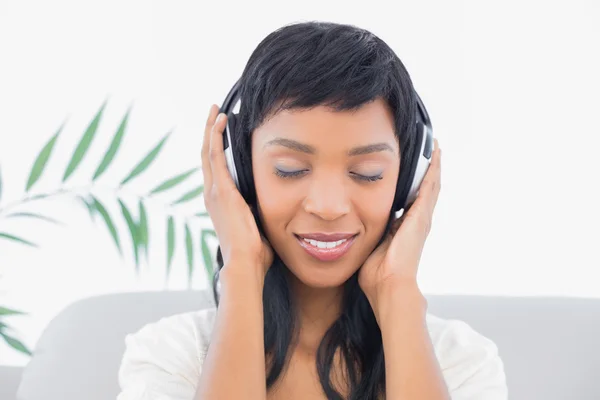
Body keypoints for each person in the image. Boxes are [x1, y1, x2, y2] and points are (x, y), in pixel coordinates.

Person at [117, 21, 507, 399]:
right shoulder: (172, 355)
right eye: (290, 170)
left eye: (367, 173)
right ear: (239, 172)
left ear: (409, 180)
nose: (328, 207)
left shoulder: (461, 362)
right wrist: (241, 271)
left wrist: (397, 290)